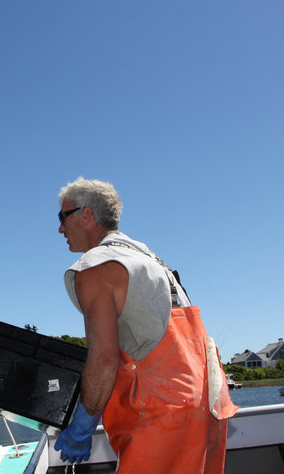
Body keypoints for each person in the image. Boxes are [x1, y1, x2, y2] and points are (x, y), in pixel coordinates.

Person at [54, 177, 238, 473]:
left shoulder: (95, 267)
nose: (60, 228)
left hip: (165, 417)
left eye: (63, 217)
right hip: (209, 406)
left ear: (85, 215)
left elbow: (103, 361)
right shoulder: (148, 257)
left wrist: (82, 425)